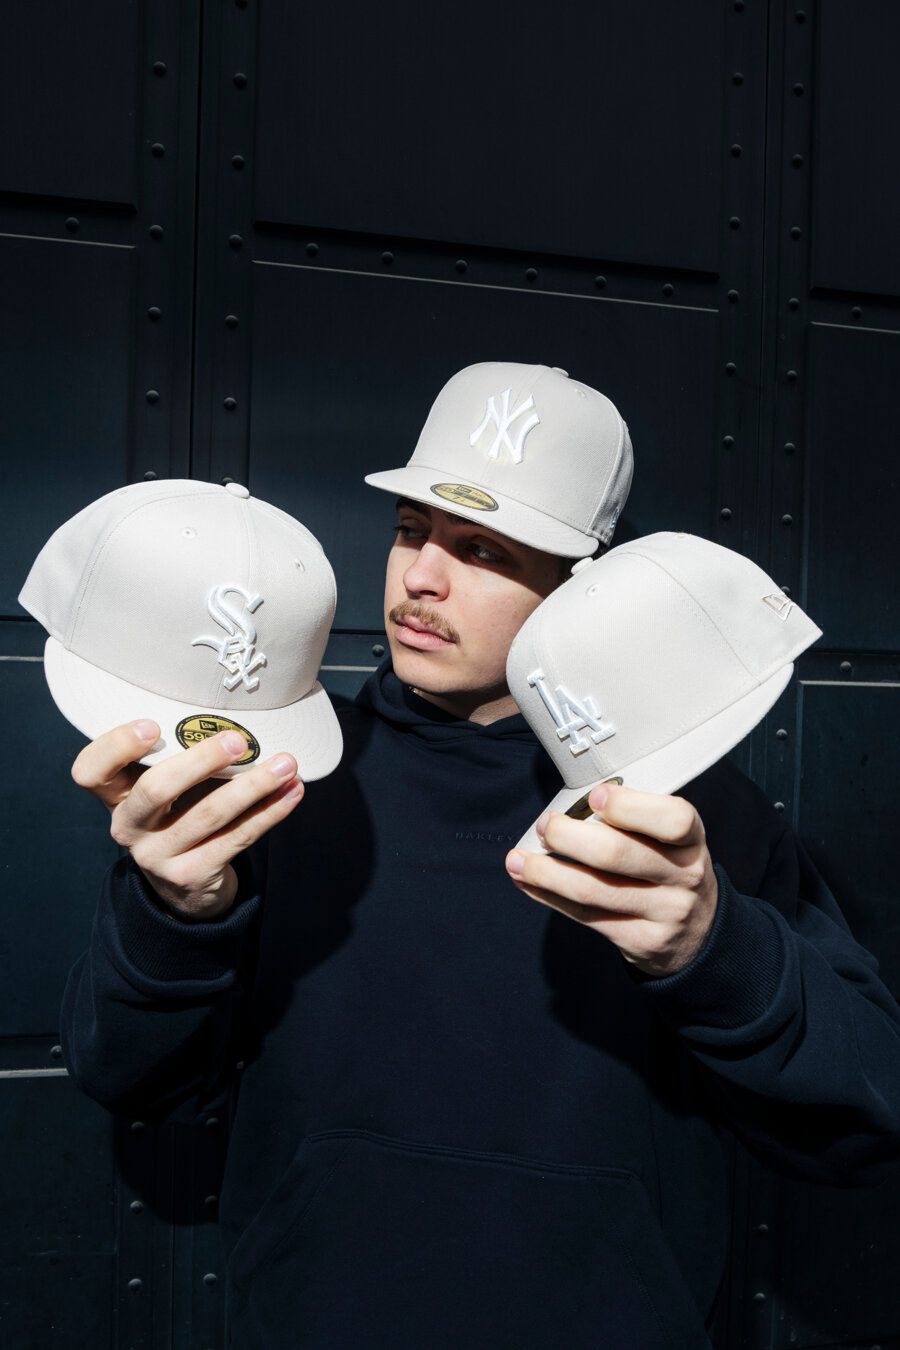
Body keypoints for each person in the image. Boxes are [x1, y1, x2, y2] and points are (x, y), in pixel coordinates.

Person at [60, 364, 900, 1350]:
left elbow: (868, 1121)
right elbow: (129, 1078)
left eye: (483, 549)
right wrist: (174, 915)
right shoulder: (276, 784)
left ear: (578, 587)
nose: (420, 577)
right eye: (411, 529)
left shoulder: (687, 819)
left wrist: (712, 949)